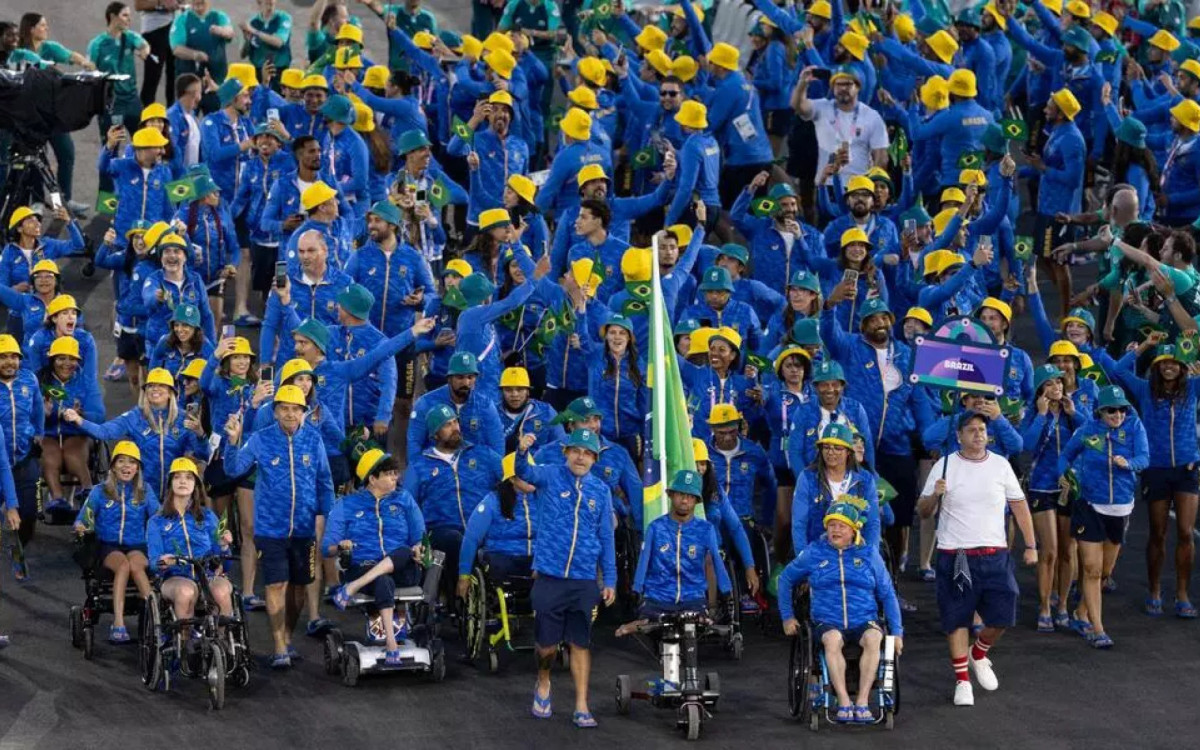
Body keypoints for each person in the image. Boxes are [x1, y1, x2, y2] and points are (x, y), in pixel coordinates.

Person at [917, 412, 1037, 707]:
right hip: (955, 555)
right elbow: (923, 511)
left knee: (1003, 615)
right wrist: (935, 494)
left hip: (995, 553)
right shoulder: (944, 465)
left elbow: (1019, 506)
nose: (978, 434)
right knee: (957, 619)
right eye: (971, 430)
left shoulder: (1000, 464)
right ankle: (962, 681)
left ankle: (979, 653)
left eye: (982, 429)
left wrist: (1031, 545)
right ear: (958, 436)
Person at [223, 384, 333, 668]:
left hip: (305, 530)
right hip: (270, 530)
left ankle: (286, 636)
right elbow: (233, 470)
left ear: (303, 413)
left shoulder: (313, 440)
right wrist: (232, 442)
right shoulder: (259, 439)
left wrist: (326, 514)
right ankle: (278, 646)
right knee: (276, 585)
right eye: (284, 408)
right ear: (275, 411)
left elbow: (324, 480)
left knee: (298, 591)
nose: (290, 414)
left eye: (296, 409)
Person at [515, 428, 615, 728]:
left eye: (587, 453)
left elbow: (606, 537)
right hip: (550, 575)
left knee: (580, 643)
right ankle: (543, 681)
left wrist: (609, 579)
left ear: (595, 458)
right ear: (566, 453)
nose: (580, 457)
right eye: (576, 451)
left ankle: (581, 705)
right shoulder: (549, 475)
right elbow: (524, 472)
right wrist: (521, 451)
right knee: (546, 645)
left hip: (584, 578)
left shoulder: (601, 491)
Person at [778, 501, 903, 724]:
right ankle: (844, 701)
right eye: (831, 525)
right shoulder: (814, 553)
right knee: (832, 639)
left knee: (875, 637)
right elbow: (786, 579)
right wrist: (788, 616)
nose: (835, 530)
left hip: (864, 619)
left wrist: (898, 632)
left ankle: (863, 701)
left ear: (854, 530)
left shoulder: (869, 554)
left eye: (841, 526)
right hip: (827, 621)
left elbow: (887, 594)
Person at [1057, 385, 1149, 647]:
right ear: (1100, 411)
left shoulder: (1134, 427)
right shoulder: (1087, 430)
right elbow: (1066, 455)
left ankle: (1081, 612)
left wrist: (1129, 464)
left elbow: (1145, 457)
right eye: (1111, 410)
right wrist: (1064, 474)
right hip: (1089, 505)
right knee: (1091, 569)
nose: (1117, 415)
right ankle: (1098, 629)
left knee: (1105, 571)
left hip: (1120, 508)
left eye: (1122, 410)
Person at [327, 449, 426, 666]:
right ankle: (392, 643)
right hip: (363, 565)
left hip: (403, 569)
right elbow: (328, 547)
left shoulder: (405, 499)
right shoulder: (347, 505)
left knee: (404, 551)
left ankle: (352, 588)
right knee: (383, 580)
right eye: (389, 474)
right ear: (372, 479)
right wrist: (341, 546)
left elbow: (420, 536)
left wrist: (418, 547)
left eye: (395, 473)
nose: (395, 477)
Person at [622, 469, 731, 633]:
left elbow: (716, 561)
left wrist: (726, 590)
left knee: (701, 623)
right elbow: (644, 560)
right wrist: (637, 589)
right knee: (648, 623)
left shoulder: (706, 529)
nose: (685, 500)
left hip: (693, 598)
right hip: (657, 597)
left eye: (690, 495)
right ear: (671, 495)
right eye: (680, 494)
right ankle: (637, 624)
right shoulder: (656, 528)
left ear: (696, 500)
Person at [72, 441, 158, 643]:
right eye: (121, 461)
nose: (127, 466)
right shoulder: (99, 491)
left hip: (137, 545)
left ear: (138, 468)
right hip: (108, 546)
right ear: (112, 466)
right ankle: (118, 623)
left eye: (132, 462)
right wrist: (80, 526)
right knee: (123, 565)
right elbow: (83, 518)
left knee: (137, 565)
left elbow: (158, 517)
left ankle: (157, 622)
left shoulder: (145, 491)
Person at [146, 458, 234, 624]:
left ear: (196, 485)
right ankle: (187, 644)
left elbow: (226, 564)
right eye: (177, 477)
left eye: (188, 477)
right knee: (186, 591)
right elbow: (153, 563)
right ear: (170, 483)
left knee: (221, 591)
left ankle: (224, 643)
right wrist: (163, 562)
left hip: (208, 575)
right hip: (175, 577)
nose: (183, 481)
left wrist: (223, 547)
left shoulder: (208, 516)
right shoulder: (157, 521)